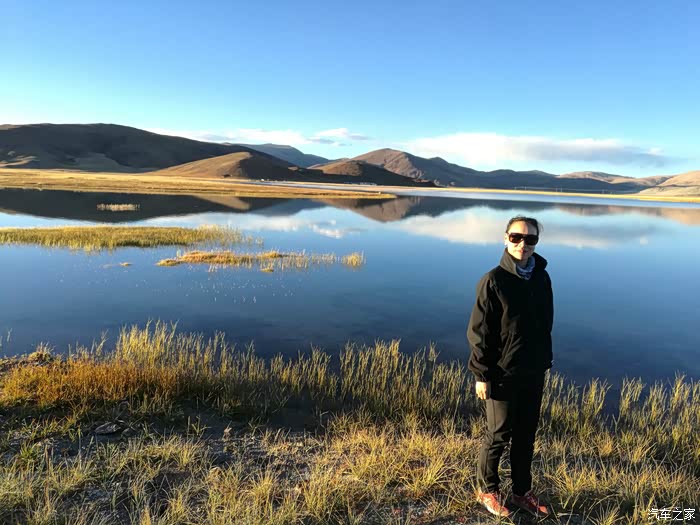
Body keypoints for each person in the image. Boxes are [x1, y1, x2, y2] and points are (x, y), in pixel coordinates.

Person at [466, 215, 554, 518]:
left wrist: (544, 359)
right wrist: (482, 375)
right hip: (501, 373)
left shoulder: (541, 278)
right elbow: (479, 333)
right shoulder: (493, 281)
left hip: (533, 370)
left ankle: (521, 492)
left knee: (526, 434)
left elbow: (546, 322)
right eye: (516, 237)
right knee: (499, 433)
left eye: (530, 239)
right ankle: (487, 489)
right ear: (505, 239)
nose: (523, 244)